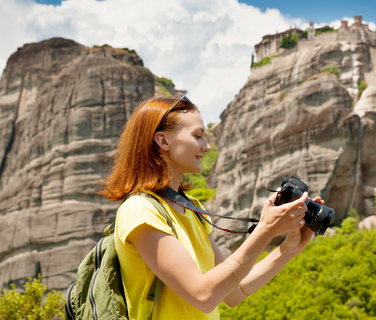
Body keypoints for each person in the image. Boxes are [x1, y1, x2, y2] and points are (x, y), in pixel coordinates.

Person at [98, 95, 324, 319]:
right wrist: (265, 230)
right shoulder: (140, 210)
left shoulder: (191, 209)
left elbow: (234, 292)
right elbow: (203, 295)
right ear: (163, 141)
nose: (206, 147)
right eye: (197, 136)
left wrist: (288, 250)